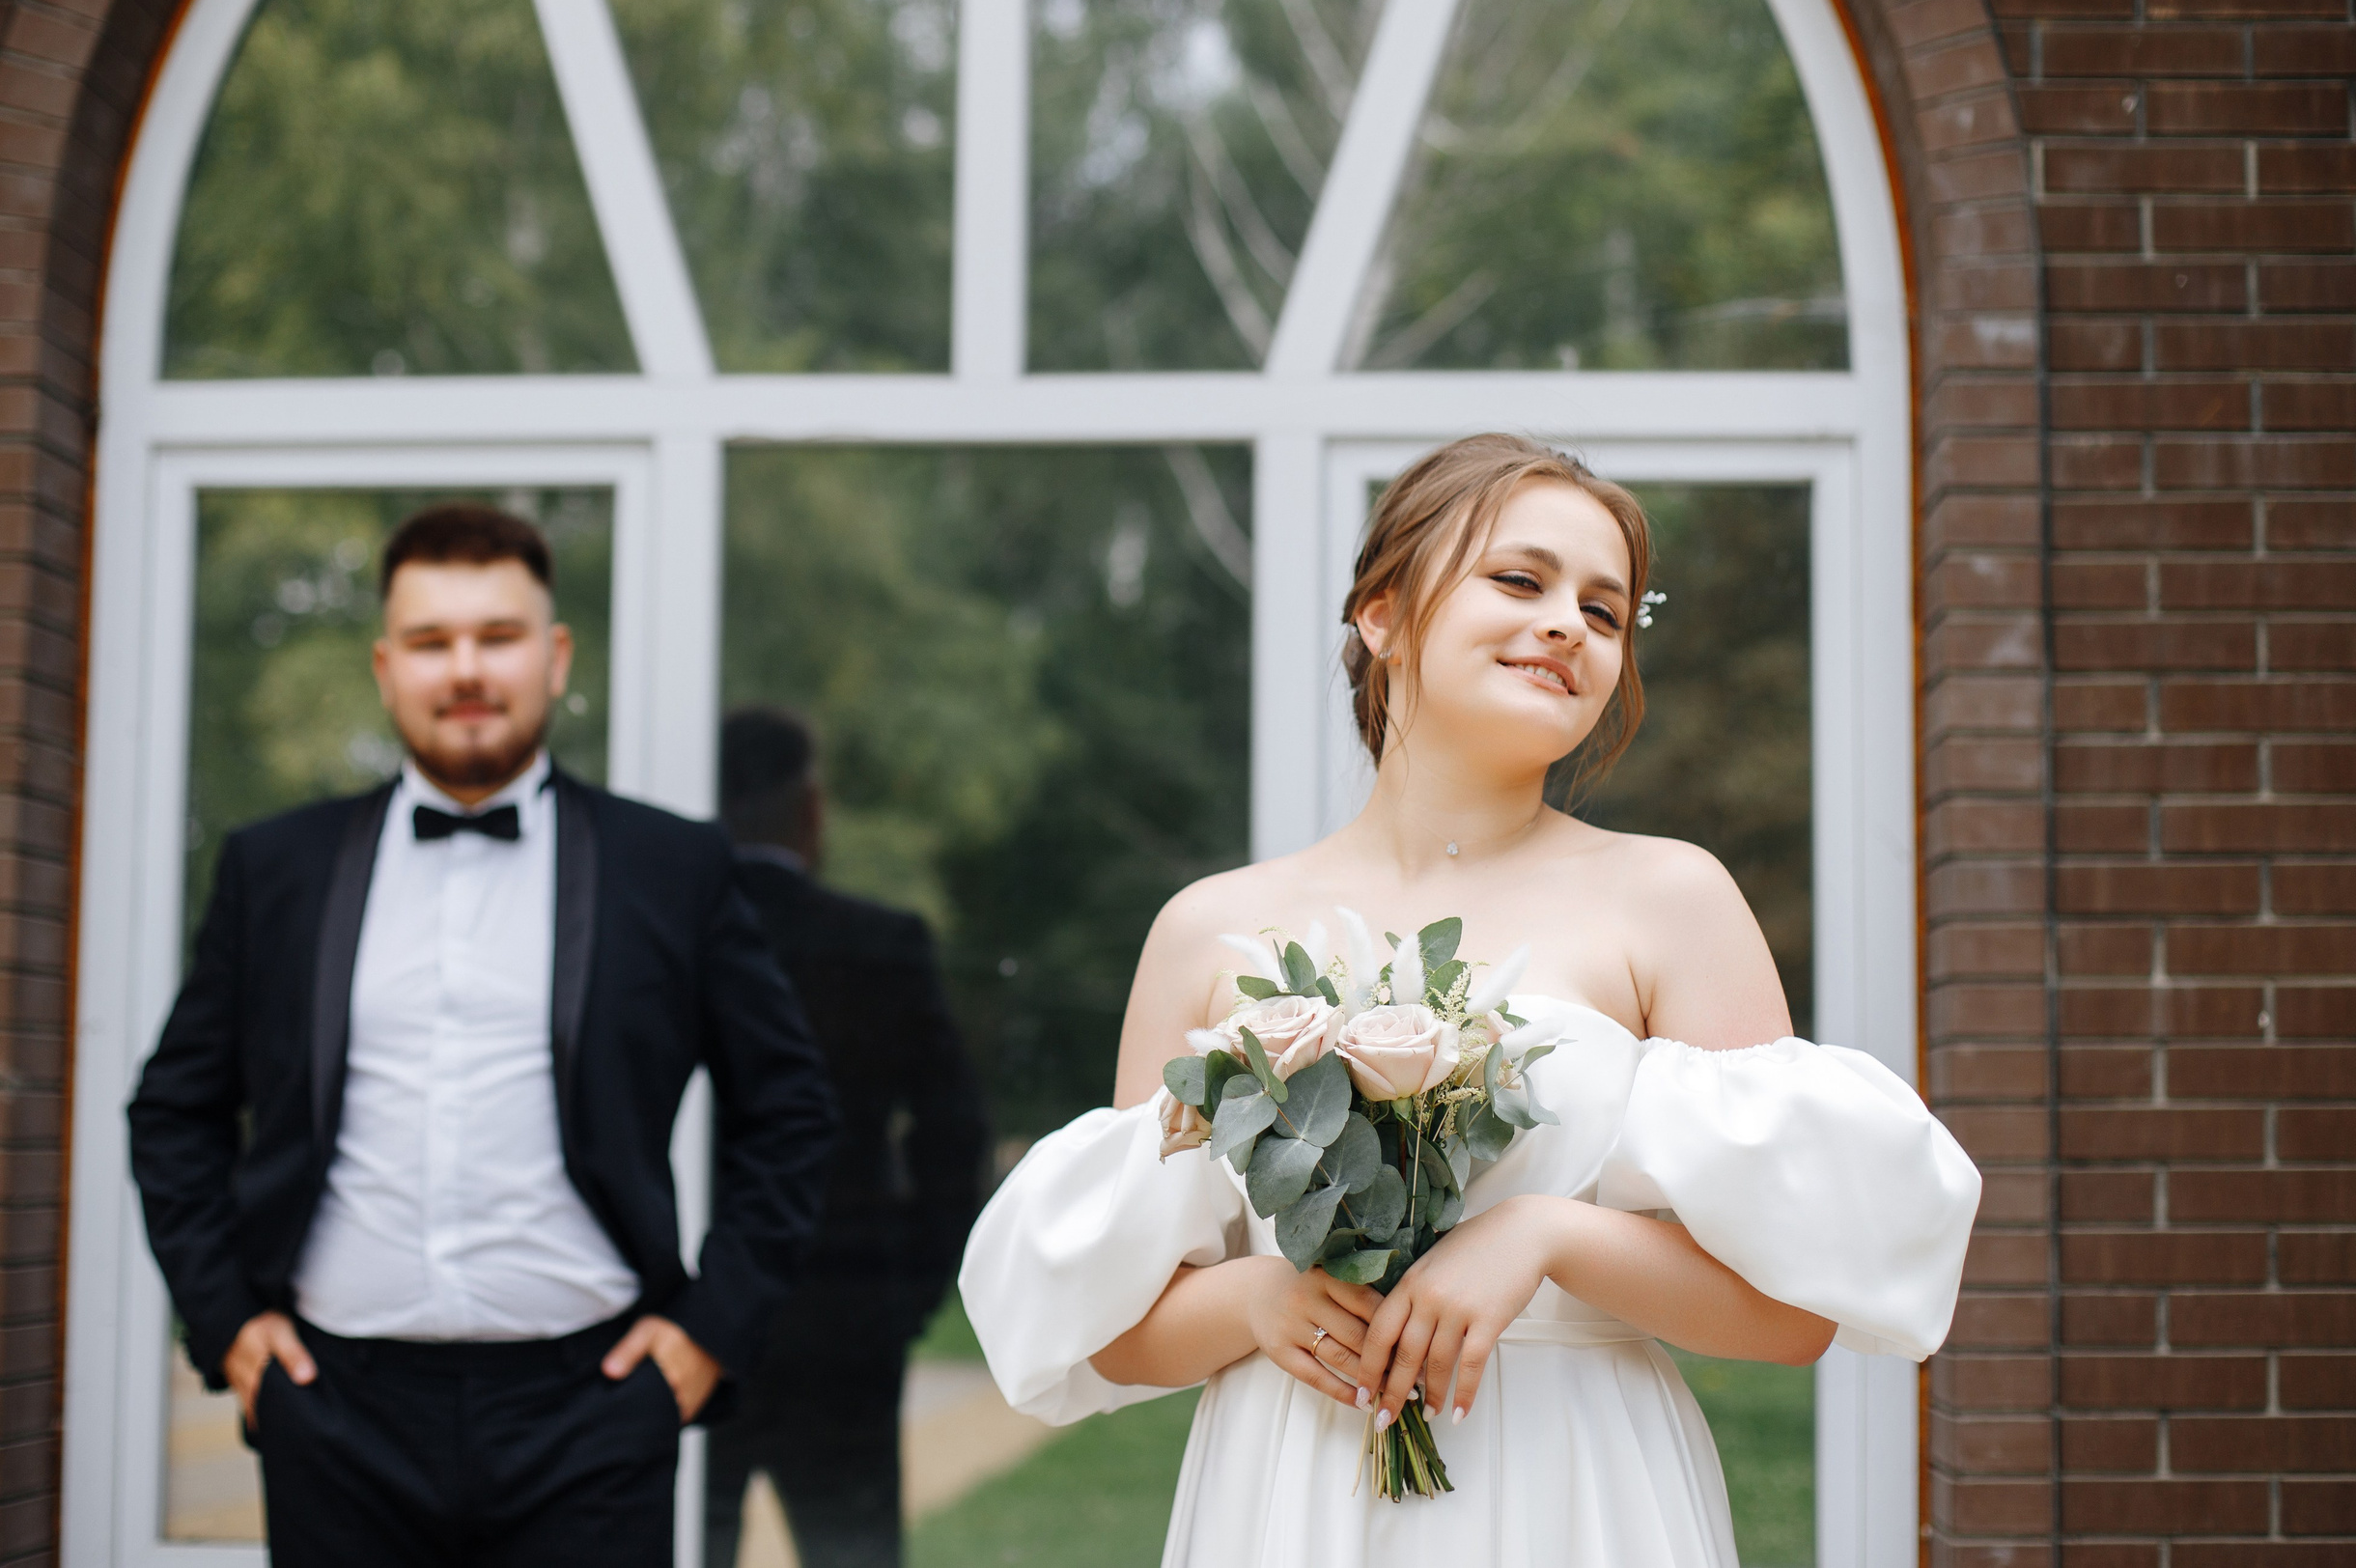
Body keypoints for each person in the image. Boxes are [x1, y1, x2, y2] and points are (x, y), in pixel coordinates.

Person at [959, 436, 1980, 1567]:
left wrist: (1545, 1237)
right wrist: (1254, 1303)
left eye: (1604, 611)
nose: (1568, 626)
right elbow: (1117, 1327)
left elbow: (1788, 1318)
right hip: (1290, 1494)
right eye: (1520, 580)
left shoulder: (1673, 900)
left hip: (1574, 1490)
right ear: (1381, 614)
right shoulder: (1207, 931)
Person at [128, 502, 839, 1567]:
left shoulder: (671, 869)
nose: (465, 668)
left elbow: (789, 1111)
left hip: (592, 1416)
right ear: (385, 665)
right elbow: (174, 1109)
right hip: (333, 1415)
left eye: (497, 637)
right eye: (430, 642)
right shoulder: (277, 869)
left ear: (554, 659)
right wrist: (227, 1324)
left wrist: (705, 1336)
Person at [705, 708, 990, 1568]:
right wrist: (908, 1286)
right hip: (848, 1313)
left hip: (698, 1309)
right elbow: (955, 1131)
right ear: (811, 809)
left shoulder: (677, 939)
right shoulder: (878, 943)